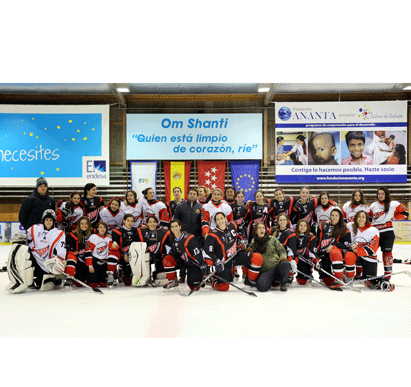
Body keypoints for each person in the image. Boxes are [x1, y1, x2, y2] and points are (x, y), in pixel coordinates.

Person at [6, 209, 66, 293]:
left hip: (46, 264)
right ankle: (18, 281)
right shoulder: (35, 228)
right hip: (34, 258)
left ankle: (56, 279)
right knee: (22, 253)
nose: (48, 222)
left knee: (40, 287)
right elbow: (26, 236)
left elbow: (61, 250)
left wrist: (58, 260)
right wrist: (21, 237)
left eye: (51, 220)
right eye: (47, 220)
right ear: (43, 220)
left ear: (54, 221)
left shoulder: (59, 233)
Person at [203, 212, 263, 291]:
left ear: (225, 218)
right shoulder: (212, 235)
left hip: (236, 255)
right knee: (224, 287)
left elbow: (240, 230)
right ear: (215, 222)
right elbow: (207, 252)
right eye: (217, 219)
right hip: (224, 262)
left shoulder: (232, 225)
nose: (220, 221)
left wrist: (243, 240)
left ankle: (249, 282)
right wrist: (215, 261)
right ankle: (212, 281)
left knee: (257, 257)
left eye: (221, 218)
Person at [346, 211, 394, 290]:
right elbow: (339, 225)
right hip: (355, 256)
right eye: (359, 216)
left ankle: (383, 283)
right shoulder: (350, 226)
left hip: (368, 257)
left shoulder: (373, 230)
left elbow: (373, 249)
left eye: (363, 217)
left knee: (370, 282)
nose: (361, 219)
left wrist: (357, 250)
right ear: (356, 218)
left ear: (366, 219)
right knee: (348, 255)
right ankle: (349, 277)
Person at [369, 187, 409, 279]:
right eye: (379, 194)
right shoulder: (373, 205)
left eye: (382, 194)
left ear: (386, 194)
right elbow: (369, 220)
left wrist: (394, 218)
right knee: (371, 253)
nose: (380, 195)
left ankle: (387, 274)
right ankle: (370, 273)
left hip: (387, 232)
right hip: (375, 233)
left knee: (387, 253)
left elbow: (405, 212)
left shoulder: (393, 204)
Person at [162, 219, 208, 290]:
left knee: (194, 287)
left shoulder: (189, 238)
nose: (174, 228)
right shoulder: (172, 238)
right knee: (167, 259)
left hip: (192, 263)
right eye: (172, 227)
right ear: (170, 228)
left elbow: (198, 253)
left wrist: (202, 265)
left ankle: (201, 277)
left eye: (176, 226)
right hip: (183, 261)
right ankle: (172, 281)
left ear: (180, 227)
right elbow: (174, 251)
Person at [316, 208, 357, 285]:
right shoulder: (324, 225)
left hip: (337, 254)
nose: (334, 217)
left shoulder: (343, 228)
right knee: (327, 281)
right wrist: (316, 254)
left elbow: (347, 243)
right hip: (325, 254)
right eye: (332, 215)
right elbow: (317, 239)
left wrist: (334, 246)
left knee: (335, 252)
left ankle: (339, 277)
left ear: (340, 217)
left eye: (336, 216)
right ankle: (331, 276)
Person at [247, 222, 290, 292]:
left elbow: (282, 251)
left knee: (285, 264)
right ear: (256, 231)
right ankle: (271, 281)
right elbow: (249, 254)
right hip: (266, 270)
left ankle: (283, 283)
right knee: (261, 287)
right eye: (259, 228)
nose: (262, 230)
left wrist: (282, 257)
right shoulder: (254, 243)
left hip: (276, 266)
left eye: (263, 228)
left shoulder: (272, 239)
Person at [173, 188, 203, 283]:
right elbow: (176, 220)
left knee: (195, 256)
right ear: (187, 194)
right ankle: (182, 275)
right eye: (191, 193)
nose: (192, 195)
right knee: (183, 256)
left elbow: (203, 222)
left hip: (196, 236)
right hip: (183, 236)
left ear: (197, 196)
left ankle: (197, 274)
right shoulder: (181, 206)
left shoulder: (201, 207)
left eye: (195, 194)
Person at [134, 215, 171, 285]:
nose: (152, 224)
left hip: (159, 257)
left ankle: (156, 273)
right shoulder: (142, 231)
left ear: (157, 223)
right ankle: (147, 275)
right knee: (144, 275)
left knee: (161, 277)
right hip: (146, 258)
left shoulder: (163, 231)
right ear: (147, 223)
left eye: (154, 222)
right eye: (150, 222)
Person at [85, 221, 118, 288]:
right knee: (93, 284)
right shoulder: (93, 237)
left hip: (104, 264)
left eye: (104, 227)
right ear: (97, 228)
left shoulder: (109, 238)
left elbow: (115, 249)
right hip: (95, 263)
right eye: (100, 227)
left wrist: (115, 244)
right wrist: (90, 266)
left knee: (103, 284)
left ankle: (113, 273)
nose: (102, 229)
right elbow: (88, 251)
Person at [109, 214, 140, 286]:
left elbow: (138, 244)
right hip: (121, 254)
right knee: (127, 282)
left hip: (132, 255)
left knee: (128, 282)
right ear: (124, 221)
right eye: (128, 220)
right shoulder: (116, 231)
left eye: (132, 221)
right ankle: (117, 272)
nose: (130, 223)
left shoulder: (136, 230)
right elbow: (116, 246)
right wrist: (124, 254)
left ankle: (125, 272)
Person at [64, 216, 94, 287]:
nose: (84, 226)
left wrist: (108, 235)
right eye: (82, 224)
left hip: (91, 260)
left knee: (93, 282)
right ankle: (69, 277)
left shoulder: (93, 232)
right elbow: (68, 246)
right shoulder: (73, 234)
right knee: (79, 284)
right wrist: (73, 251)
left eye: (86, 224)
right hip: (79, 261)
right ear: (78, 225)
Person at [268, 213, 297, 284]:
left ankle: (288, 274)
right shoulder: (272, 230)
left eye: (284, 220)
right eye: (280, 220)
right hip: (273, 256)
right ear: (277, 221)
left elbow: (291, 250)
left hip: (284, 257)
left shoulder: (291, 233)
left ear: (287, 221)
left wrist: (291, 261)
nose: (282, 222)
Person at [294, 219, 317, 286]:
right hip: (296, 258)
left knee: (302, 281)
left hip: (305, 259)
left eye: (304, 225)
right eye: (300, 225)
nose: (302, 227)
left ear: (307, 227)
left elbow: (312, 251)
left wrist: (313, 261)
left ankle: (309, 272)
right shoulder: (293, 235)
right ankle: (290, 275)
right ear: (297, 226)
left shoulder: (311, 237)